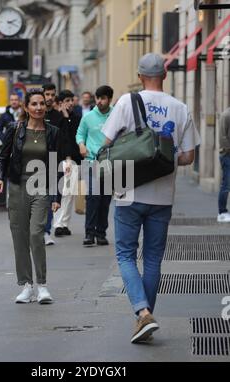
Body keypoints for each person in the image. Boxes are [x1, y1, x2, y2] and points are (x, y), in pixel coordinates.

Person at [102, 53, 200, 344]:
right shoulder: (180, 108)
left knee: (125, 255)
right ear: (165, 75)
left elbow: (107, 143)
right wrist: (162, 157)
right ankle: (144, 320)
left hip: (128, 192)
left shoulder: (125, 103)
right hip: (162, 195)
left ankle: (143, 313)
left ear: (140, 75)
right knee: (154, 258)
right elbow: (188, 157)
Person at [0, 89, 62, 304]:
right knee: (19, 237)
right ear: (26, 107)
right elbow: (3, 157)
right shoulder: (14, 129)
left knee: (36, 234)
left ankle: (42, 285)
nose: (39, 107)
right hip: (16, 188)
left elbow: (55, 165)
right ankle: (26, 285)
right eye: (34, 104)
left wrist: (56, 196)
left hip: (40, 188)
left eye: (42, 103)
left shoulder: (52, 132)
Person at [76, 86, 114, 246]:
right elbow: (79, 133)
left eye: (103, 98)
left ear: (109, 99)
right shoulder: (88, 117)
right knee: (93, 197)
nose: (99, 101)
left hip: (110, 162)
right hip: (91, 161)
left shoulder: (116, 115)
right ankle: (89, 233)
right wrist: (81, 145)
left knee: (105, 199)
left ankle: (101, 233)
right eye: (97, 98)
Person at [53, 90, 82, 237]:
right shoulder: (56, 118)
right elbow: (61, 138)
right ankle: (58, 223)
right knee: (61, 191)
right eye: (68, 100)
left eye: (72, 100)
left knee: (69, 193)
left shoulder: (76, 118)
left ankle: (63, 223)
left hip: (74, 160)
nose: (71, 103)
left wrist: (67, 119)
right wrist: (63, 118)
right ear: (61, 103)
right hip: (59, 159)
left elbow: (74, 138)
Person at [42, 83, 64, 245]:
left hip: (53, 161)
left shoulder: (58, 117)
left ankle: (46, 231)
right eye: (47, 94)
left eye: (52, 94)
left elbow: (64, 140)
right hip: (35, 162)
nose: (49, 97)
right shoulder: (35, 113)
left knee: (51, 198)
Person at [217, 107, 230, 223]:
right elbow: (222, 138)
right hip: (227, 156)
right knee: (226, 185)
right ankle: (222, 212)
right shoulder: (226, 115)